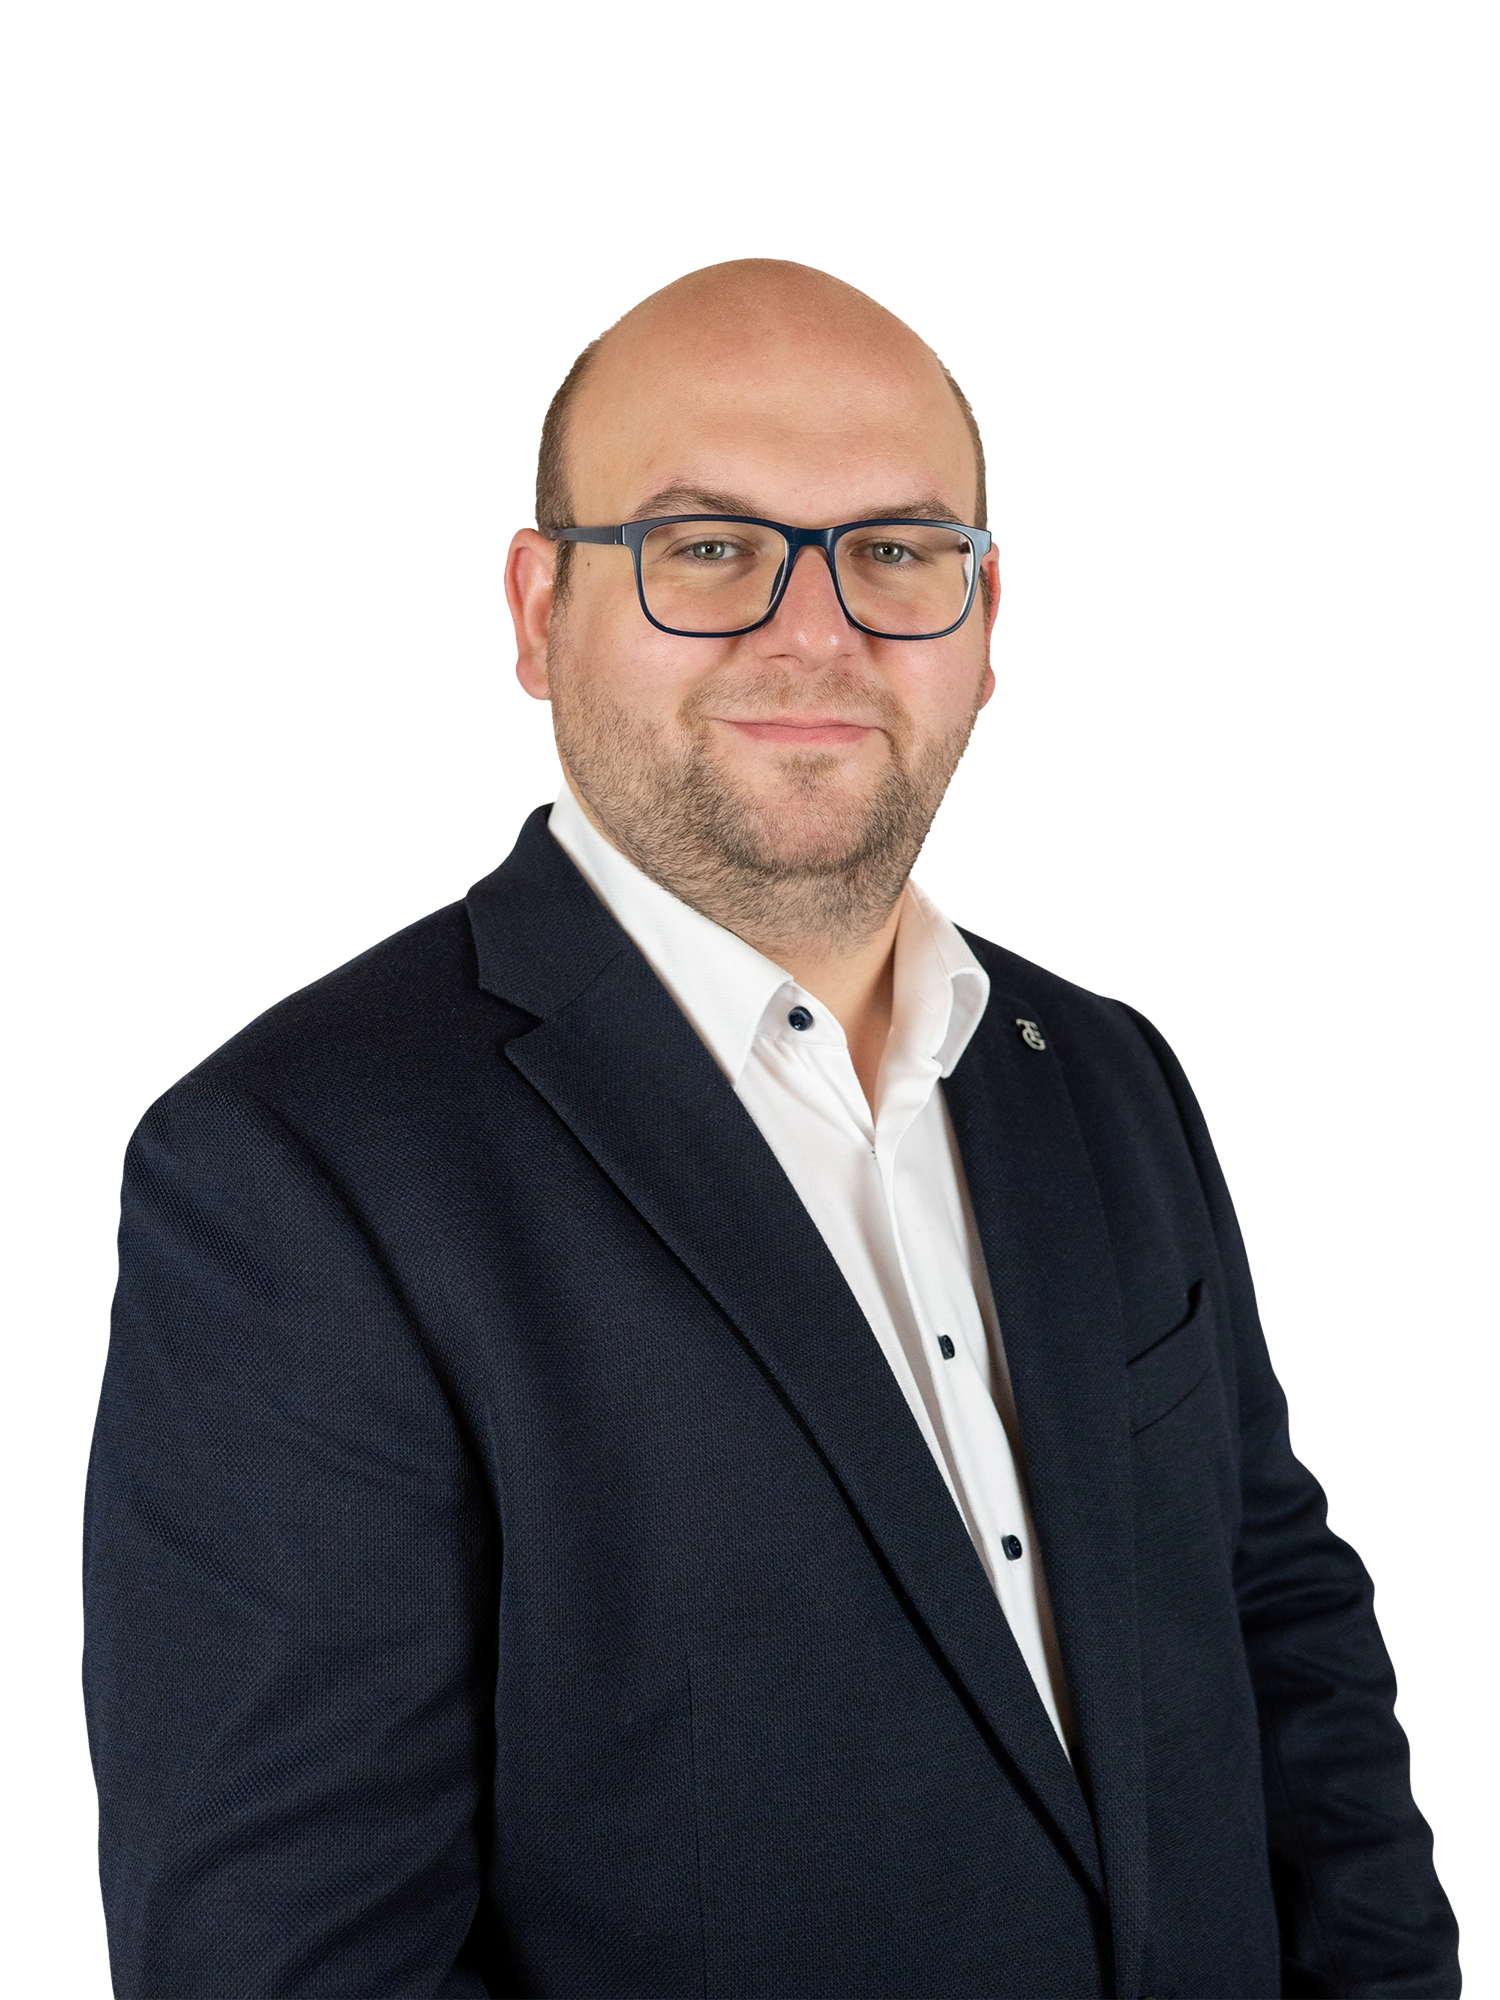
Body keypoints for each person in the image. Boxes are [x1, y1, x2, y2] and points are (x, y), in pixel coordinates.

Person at [82, 259, 1460, 1999]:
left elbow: (1282, 1634)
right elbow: (293, 1962)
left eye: (896, 551)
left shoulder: (1107, 1076)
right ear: (536, 609)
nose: (815, 632)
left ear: (984, 620)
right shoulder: (294, 1171)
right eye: (710, 547)